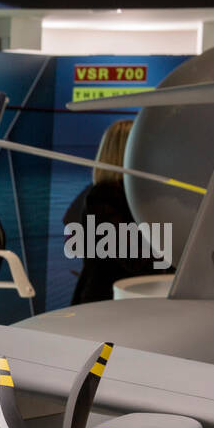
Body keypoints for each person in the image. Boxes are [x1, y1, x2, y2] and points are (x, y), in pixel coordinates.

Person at [64, 119, 157, 305]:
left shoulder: (125, 197)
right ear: (128, 151)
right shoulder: (105, 197)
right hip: (106, 304)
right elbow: (134, 257)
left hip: (122, 302)